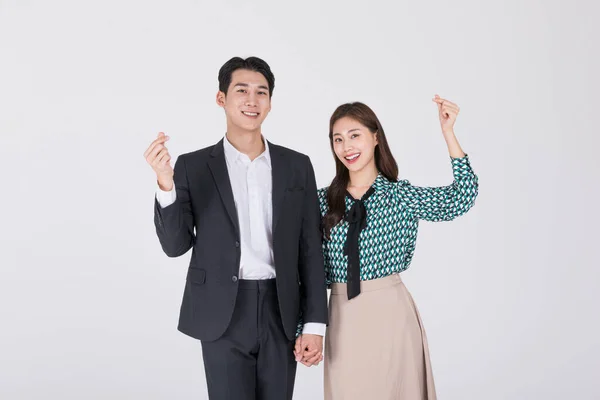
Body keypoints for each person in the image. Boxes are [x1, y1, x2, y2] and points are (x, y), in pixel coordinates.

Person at [144, 56, 328, 400]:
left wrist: (315, 324)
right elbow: (175, 245)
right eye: (241, 90)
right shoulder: (193, 167)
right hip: (221, 311)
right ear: (221, 99)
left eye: (261, 92)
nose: (252, 100)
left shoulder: (296, 166)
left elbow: (310, 250)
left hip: (281, 308)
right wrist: (166, 185)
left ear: (270, 102)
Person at [307, 97, 478, 399]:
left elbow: (460, 197)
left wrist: (448, 132)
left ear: (375, 137)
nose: (347, 146)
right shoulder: (320, 202)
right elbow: (307, 270)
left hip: (391, 314)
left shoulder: (400, 195)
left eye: (354, 135)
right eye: (338, 139)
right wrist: (305, 329)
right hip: (341, 316)